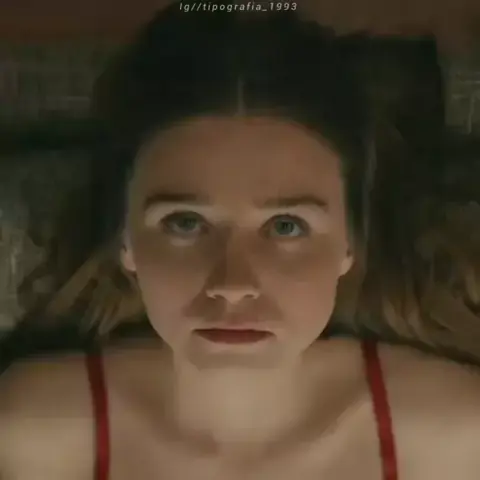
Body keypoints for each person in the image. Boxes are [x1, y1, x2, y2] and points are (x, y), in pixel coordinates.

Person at [2, 2, 480, 479]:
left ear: (350, 244)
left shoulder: (449, 436)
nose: (233, 285)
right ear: (124, 239)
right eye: (185, 223)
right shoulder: (38, 435)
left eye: (287, 226)